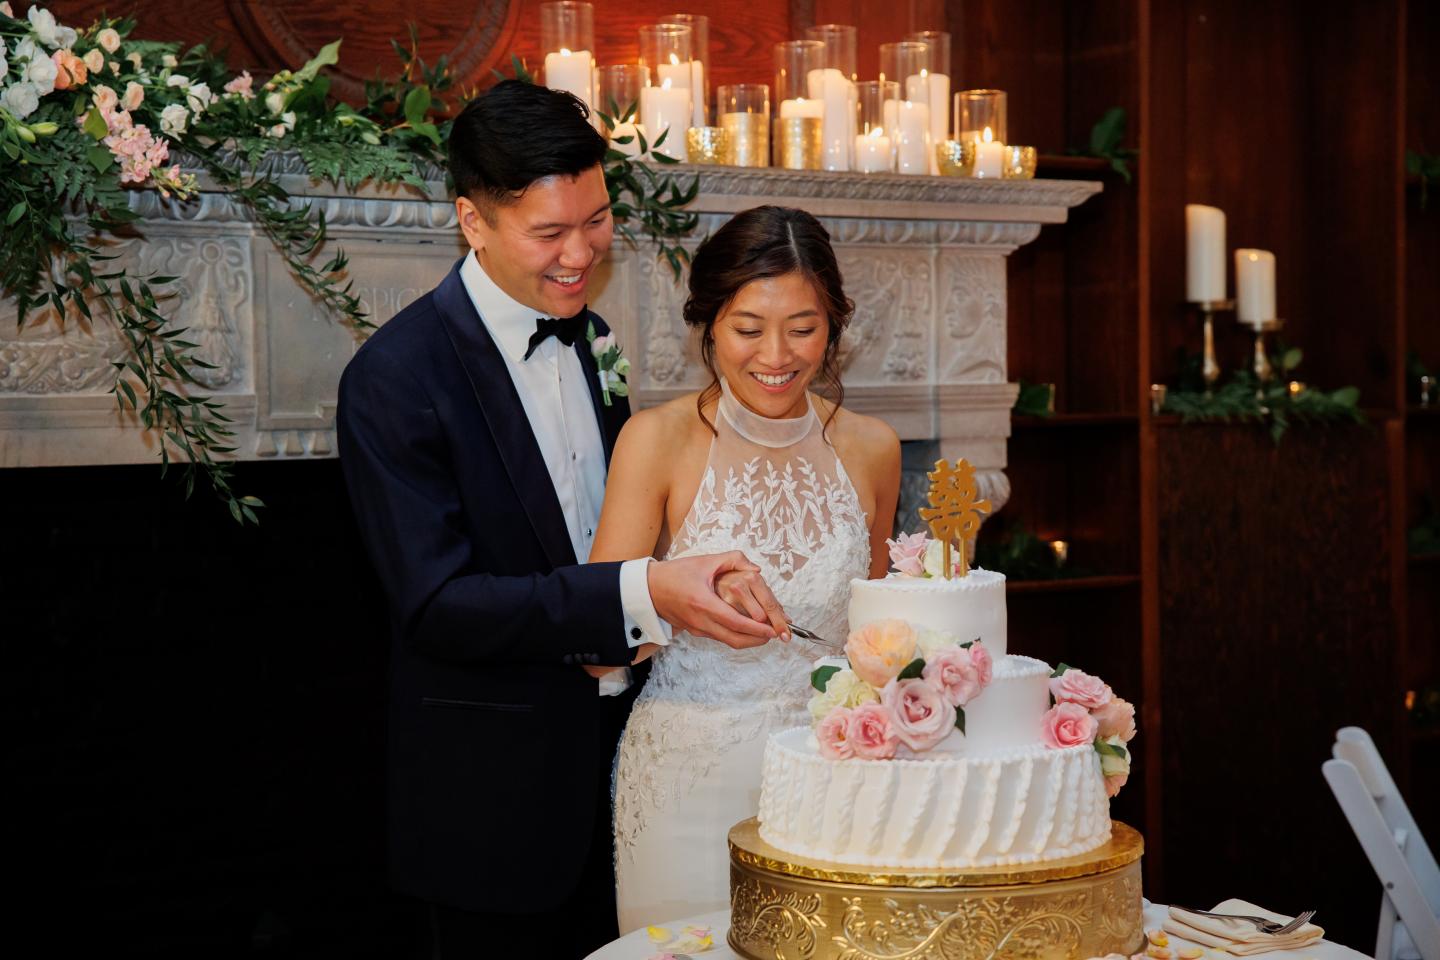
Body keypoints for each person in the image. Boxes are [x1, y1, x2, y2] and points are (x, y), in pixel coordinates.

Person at [335, 81, 785, 959]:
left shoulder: (595, 339)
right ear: (473, 221)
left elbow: (610, 523)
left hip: (627, 785)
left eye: (597, 219)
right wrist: (637, 593)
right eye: (549, 233)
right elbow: (438, 604)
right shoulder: (393, 381)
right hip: (490, 810)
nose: (580, 253)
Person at [594, 205, 902, 931]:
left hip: (834, 778)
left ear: (833, 326)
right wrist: (674, 599)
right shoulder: (656, 441)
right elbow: (592, 646)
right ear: (707, 323)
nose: (777, 355)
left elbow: (881, 637)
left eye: (803, 328)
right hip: (686, 778)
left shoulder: (872, 448)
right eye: (747, 328)